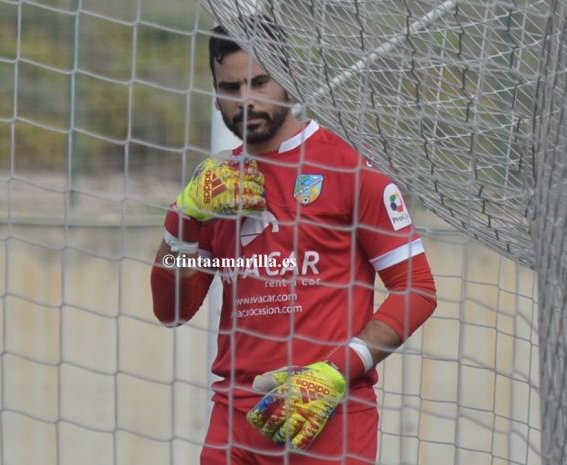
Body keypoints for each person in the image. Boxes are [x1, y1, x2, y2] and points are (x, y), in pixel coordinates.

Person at [150, 22, 438, 465]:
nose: (246, 99)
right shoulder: (214, 187)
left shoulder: (349, 168)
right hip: (235, 425)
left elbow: (417, 289)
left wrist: (337, 371)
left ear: (289, 77)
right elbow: (173, 310)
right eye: (231, 88)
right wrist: (182, 219)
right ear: (215, 94)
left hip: (330, 419)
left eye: (259, 82)